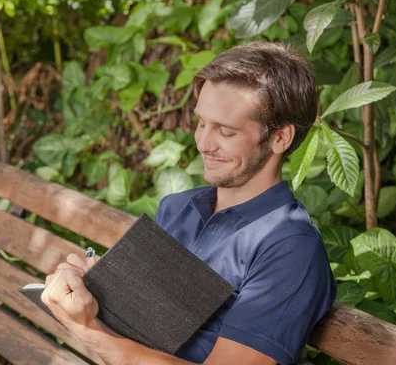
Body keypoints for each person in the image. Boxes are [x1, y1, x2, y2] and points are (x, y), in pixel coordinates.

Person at [41, 41, 337, 365]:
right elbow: (146, 328)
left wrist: (86, 329)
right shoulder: (178, 208)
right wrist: (100, 293)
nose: (203, 143)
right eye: (201, 123)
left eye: (225, 131)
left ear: (281, 137)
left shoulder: (290, 248)